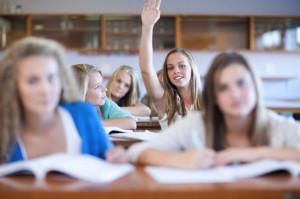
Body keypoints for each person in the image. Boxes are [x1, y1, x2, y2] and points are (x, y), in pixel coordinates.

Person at [127, 52, 300, 169]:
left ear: (256, 86)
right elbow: (136, 152)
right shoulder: (197, 124)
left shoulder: (276, 125)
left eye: (241, 83)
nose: (235, 94)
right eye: (223, 88)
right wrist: (181, 160)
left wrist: (252, 154)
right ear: (214, 97)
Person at [0, 37, 127, 164]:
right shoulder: (4, 127)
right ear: (12, 86)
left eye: (51, 78)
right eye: (33, 81)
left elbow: (109, 162)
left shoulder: (83, 115)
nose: (45, 90)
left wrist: (122, 157)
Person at [139, 0, 203, 129]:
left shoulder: (208, 100)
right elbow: (146, 70)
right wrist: (147, 27)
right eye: (170, 67)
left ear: (192, 69)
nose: (176, 71)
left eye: (182, 66)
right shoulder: (164, 101)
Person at [72, 64, 137, 130]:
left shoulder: (106, 103)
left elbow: (131, 123)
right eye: (98, 86)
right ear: (81, 91)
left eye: (102, 83)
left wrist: (93, 124)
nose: (105, 89)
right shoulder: (68, 112)